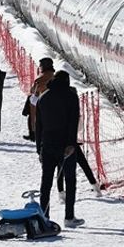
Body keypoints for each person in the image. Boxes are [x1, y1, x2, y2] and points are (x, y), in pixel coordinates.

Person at [36, 70, 82, 228]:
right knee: (70, 181)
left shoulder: (43, 97)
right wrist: (71, 144)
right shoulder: (70, 96)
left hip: (47, 145)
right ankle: (69, 217)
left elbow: (38, 125)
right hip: (65, 145)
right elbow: (73, 121)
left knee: (46, 182)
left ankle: (44, 216)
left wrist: (39, 148)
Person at [25, 58, 56, 140]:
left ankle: (34, 134)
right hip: (49, 102)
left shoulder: (41, 78)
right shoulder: (53, 75)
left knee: (36, 119)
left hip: (39, 102)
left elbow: (34, 90)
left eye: (40, 65)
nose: (39, 67)